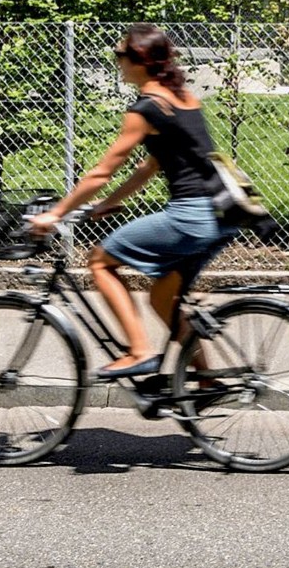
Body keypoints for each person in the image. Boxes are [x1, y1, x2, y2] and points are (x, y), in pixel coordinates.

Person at [29, 24, 231, 379]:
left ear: (140, 61)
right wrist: (109, 202)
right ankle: (203, 380)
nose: (117, 61)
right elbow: (149, 165)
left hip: (191, 216)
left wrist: (55, 213)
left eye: (121, 55)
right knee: (161, 299)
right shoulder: (182, 98)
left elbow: (102, 171)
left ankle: (139, 351)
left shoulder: (145, 110)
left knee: (100, 261)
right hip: (221, 215)